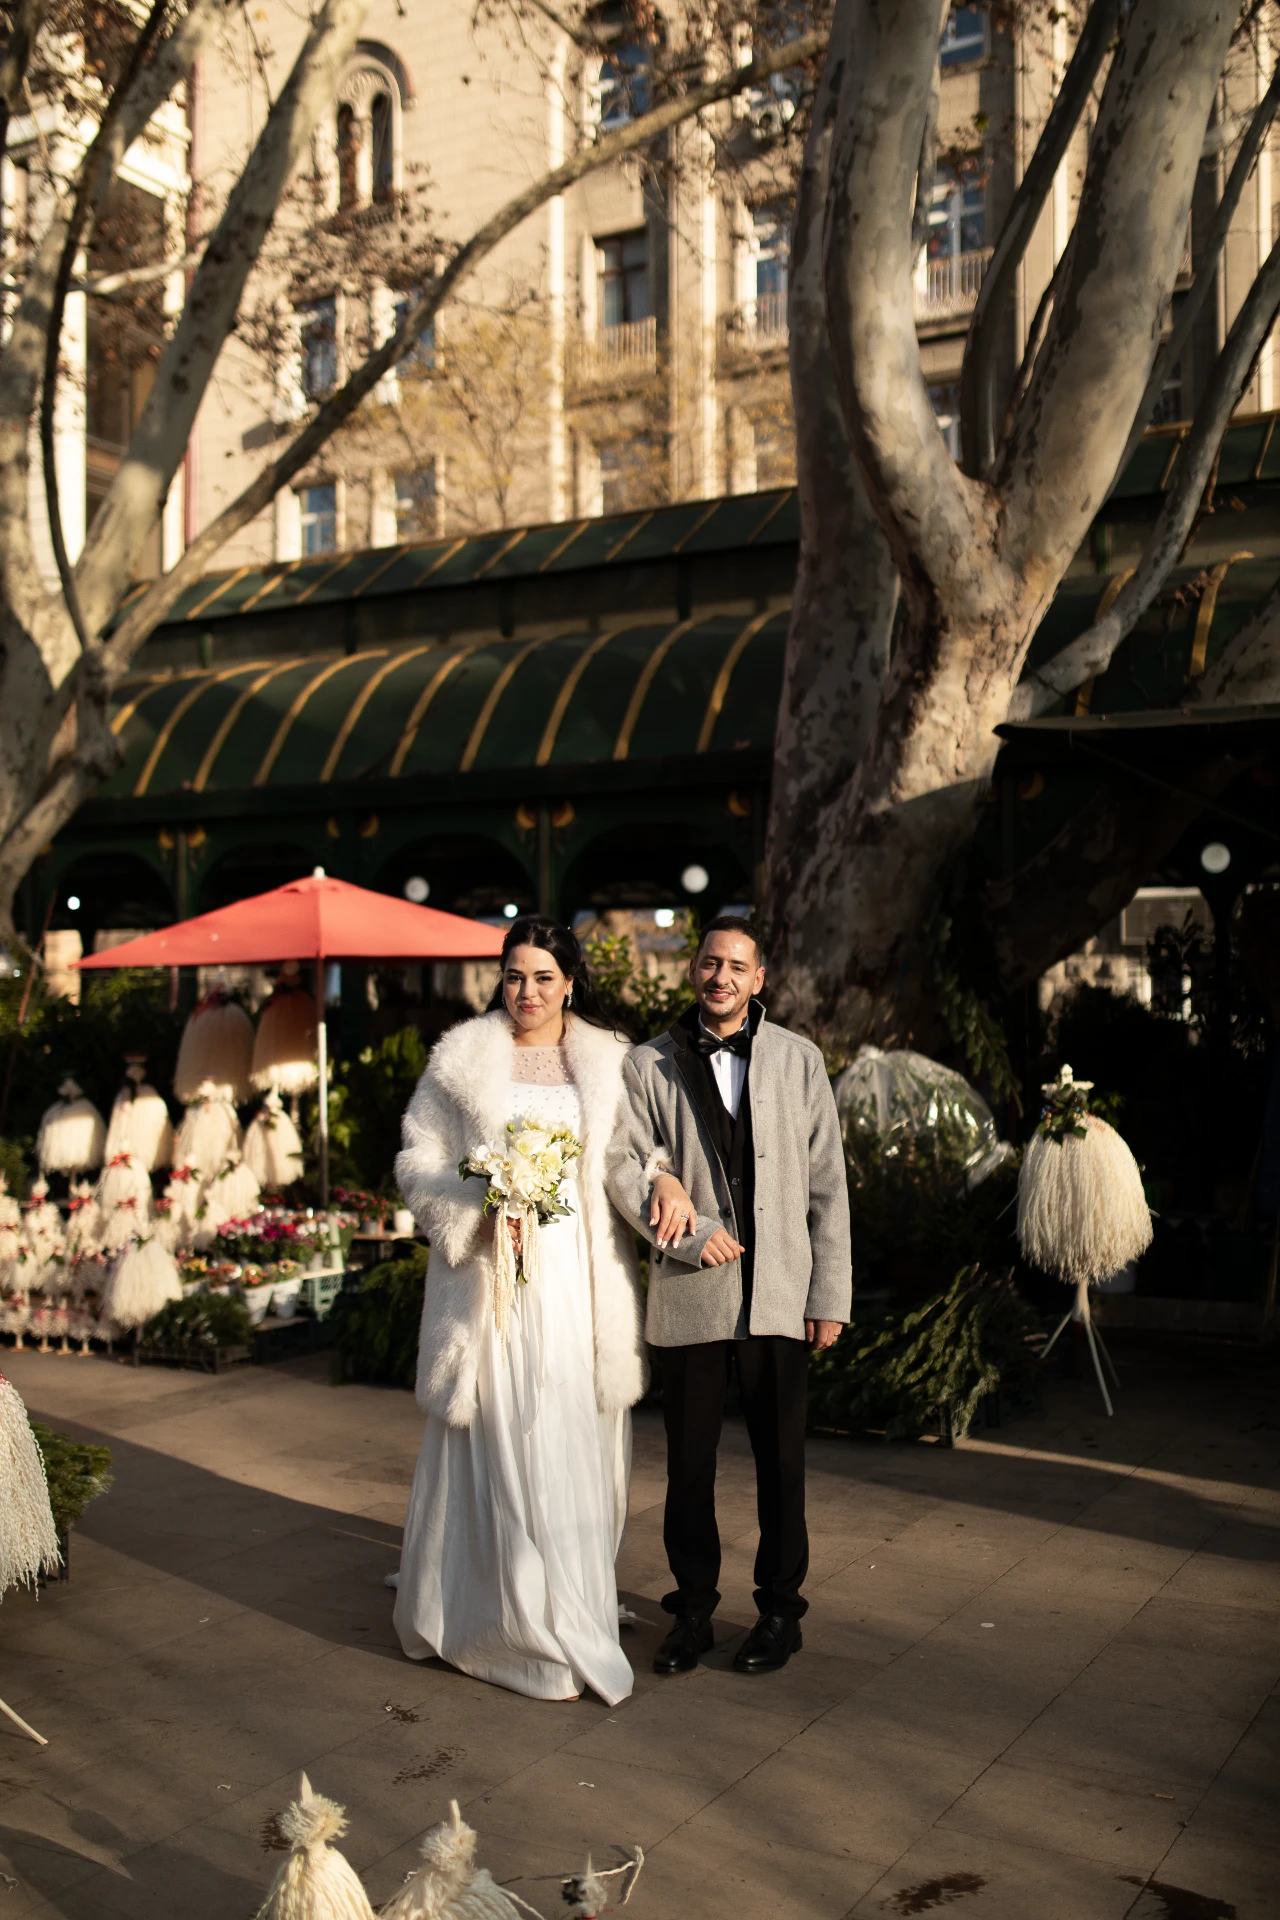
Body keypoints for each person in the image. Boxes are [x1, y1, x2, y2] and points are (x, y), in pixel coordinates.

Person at [391, 916, 646, 1704]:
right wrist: (479, 1202)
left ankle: (571, 1599)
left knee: (565, 1427)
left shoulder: (610, 1062)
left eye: (542, 977)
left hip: (576, 1279)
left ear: (570, 982)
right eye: (513, 976)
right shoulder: (463, 1058)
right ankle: (502, 1615)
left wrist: (668, 1187)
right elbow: (418, 1160)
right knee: (498, 1429)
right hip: (490, 1281)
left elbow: (635, 1157)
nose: (526, 992)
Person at [605, 915, 851, 1676]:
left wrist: (830, 1294)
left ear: (759, 979)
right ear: (694, 970)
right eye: (711, 963)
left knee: (782, 1465)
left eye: (737, 967)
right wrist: (688, 1237)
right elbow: (621, 1166)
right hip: (694, 1294)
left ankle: (780, 1613)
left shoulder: (800, 1060)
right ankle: (693, 1612)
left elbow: (827, 1186)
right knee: (689, 1469)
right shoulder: (647, 1064)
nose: (722, 978)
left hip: (781, 1294)